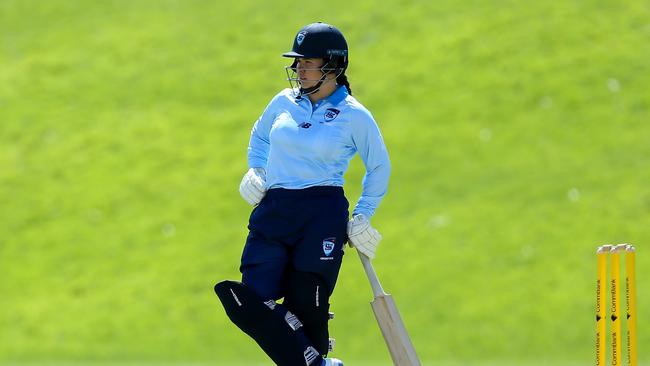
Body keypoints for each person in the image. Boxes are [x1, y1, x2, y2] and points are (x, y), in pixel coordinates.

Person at [214, 22, 390, 366]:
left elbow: (379, 167)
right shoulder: (283, 101)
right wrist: (257, 170)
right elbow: (260, 136)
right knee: (251, 298)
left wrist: (363, 214)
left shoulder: (355, 115)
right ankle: (318, 364)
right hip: (275, 208)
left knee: (307, 304)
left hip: (321, 213)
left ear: (333, 65)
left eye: (307, 62)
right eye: (298, 62)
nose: (299, 69)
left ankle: (316, 359)